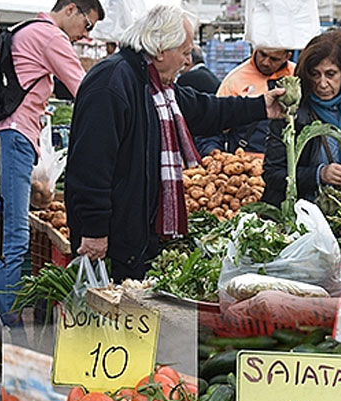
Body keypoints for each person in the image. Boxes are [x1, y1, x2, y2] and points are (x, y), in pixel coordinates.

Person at [66, 4, 285, 280]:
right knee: (106, 316)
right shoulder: (112, 83)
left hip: (137, 236)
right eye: (183, 52)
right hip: (113, 240)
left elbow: (205, 109)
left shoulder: (155, 86)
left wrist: (261, 107)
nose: (186, 61)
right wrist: (95, 229)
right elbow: (90, 166)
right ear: (160, 50)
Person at [0, 0, 104, 326]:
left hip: (5, 136)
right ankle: (9, 328)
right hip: (14, 137)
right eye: (87, 25)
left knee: (2, 232)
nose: (85, 34)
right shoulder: (51, 36)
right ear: (71, 9)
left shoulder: (24, 29)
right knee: (14, 237)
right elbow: (86, 89)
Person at [262, 30, 341, 206]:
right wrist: (320, 174)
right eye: (315, 74)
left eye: (330, 74)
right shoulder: (292, 108)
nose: (322, 83)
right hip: (300, 213)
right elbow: (273, 173)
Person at [213, 47, 295, 154]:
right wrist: (214, 152)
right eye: (263, 54)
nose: (265, 62)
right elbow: (215, 124)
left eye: (274, 59)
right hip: (247, 161)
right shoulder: (235, 78)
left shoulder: (297, 75)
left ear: (287, 57)